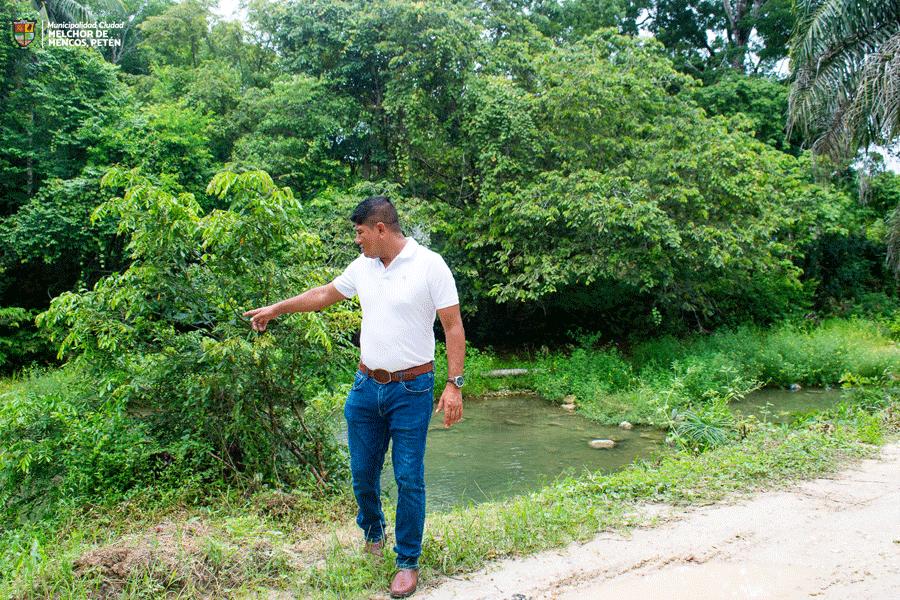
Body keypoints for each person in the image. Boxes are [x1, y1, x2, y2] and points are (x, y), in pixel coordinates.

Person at [243, 196, 465, 598]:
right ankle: (374, 534)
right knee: (362, 473)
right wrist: (277, 308)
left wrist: (454, 385)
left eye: (360, 232)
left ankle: (407, 561)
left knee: (408, 477)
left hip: (412, 389)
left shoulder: (430, 265)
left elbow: (452, 327)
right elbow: (323, 294)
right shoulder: (363, 267)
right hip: (366, 387)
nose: (357, 240)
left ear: (380, 229)